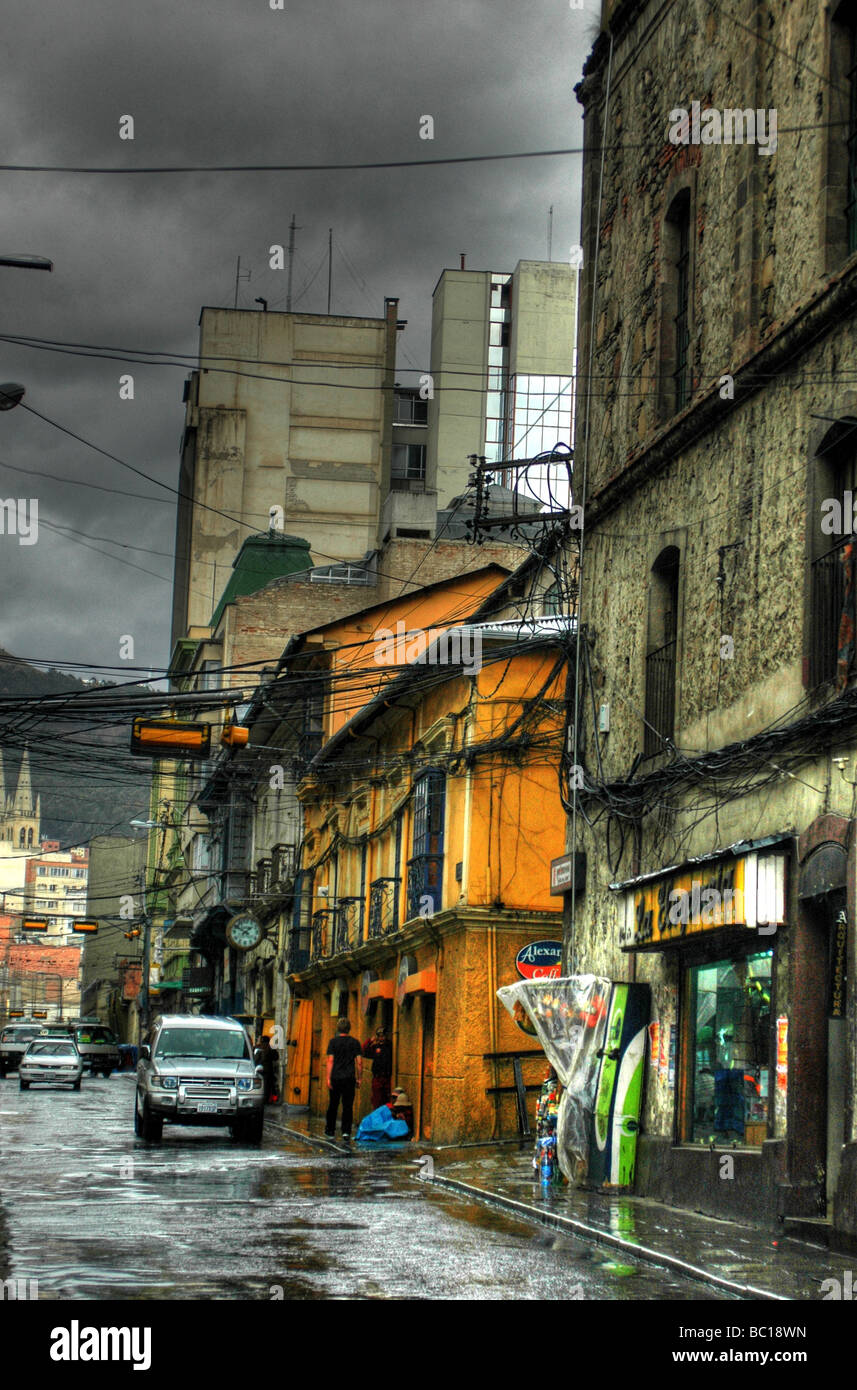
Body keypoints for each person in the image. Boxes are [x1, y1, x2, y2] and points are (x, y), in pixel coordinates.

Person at [325, 1017, 363, 1139]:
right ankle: (346, 1131)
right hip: (349, 1077)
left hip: (335, 1077)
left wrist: (328, 1078)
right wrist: (359, 1078)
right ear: (349, 1029)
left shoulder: (333, 1042)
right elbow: (359, 1062)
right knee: (348, 1105)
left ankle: (330, 1130)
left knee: (333, 1104)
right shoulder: (355, 1042)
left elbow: (330, 1060)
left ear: (338, 1028)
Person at [362, 1025, 393, 1110]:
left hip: (387, 1077)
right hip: (377, 1077)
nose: (381, 1038)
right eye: (379, 1036)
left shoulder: (389, 1046)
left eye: (383, 1036)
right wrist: (370, 1041)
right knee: (376, 1100)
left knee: (386, 1101)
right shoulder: (375, 1047)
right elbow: (363, 1050)